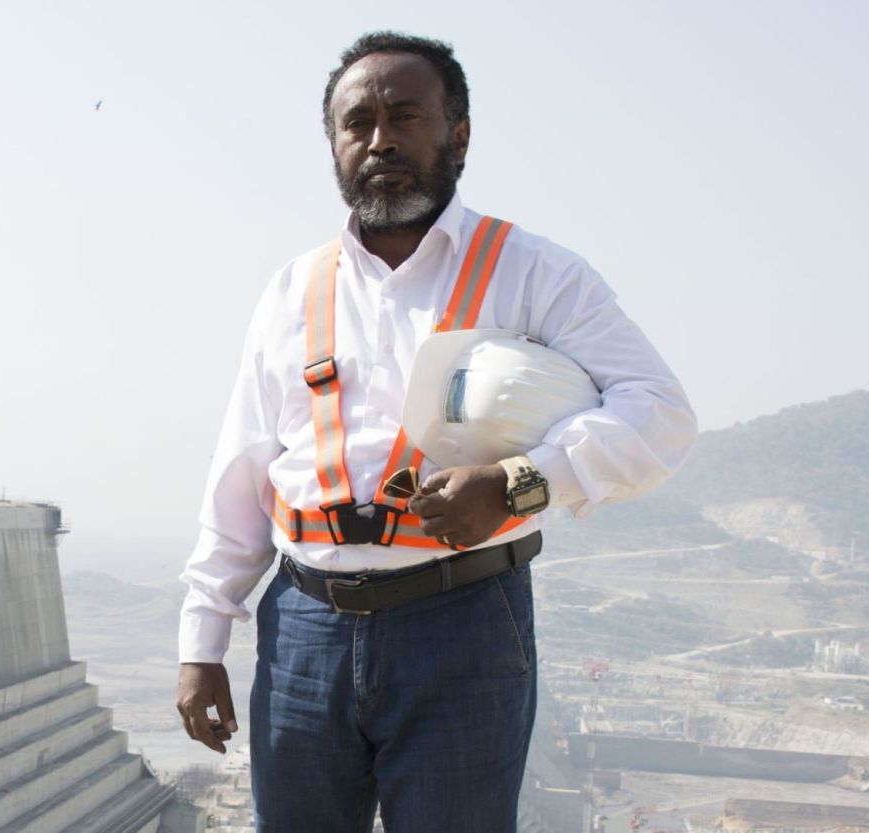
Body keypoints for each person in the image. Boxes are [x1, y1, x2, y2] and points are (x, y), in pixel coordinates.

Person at [173, 31, 697, 832]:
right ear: (334, 145)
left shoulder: (534, 272)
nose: (379, 139)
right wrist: (201, 639)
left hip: (463, 625)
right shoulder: (292, 291)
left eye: (405, 116)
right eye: (358, 123)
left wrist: (522, 480)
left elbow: (659, 411)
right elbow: (244, 470)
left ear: (458, 133)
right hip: (305, 628)